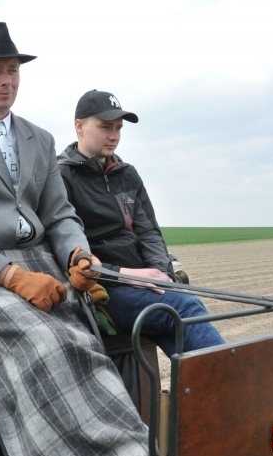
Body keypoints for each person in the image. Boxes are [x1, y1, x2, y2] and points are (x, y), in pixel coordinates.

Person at [0, 22, 152, 456]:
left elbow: (60, 215)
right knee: (44, 342)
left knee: (85, 340)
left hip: (38, 260)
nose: (6, 80)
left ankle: (131, 453)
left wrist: (78, 255)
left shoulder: (38, 139)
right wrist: (11, 276)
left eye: (12, 71)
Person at [58, 89, 225, 356]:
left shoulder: (127, 174)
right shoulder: (61, 176)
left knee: (184, 336)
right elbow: (68, 246)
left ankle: (210, 393)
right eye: (105, 127)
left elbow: (148, 231)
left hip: (144, 281)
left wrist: (162, 276)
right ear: (79, 126)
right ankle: (240, 385)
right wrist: (128, 276)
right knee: (184, 308)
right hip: (107, 287)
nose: (114, 136)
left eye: (118, 128)